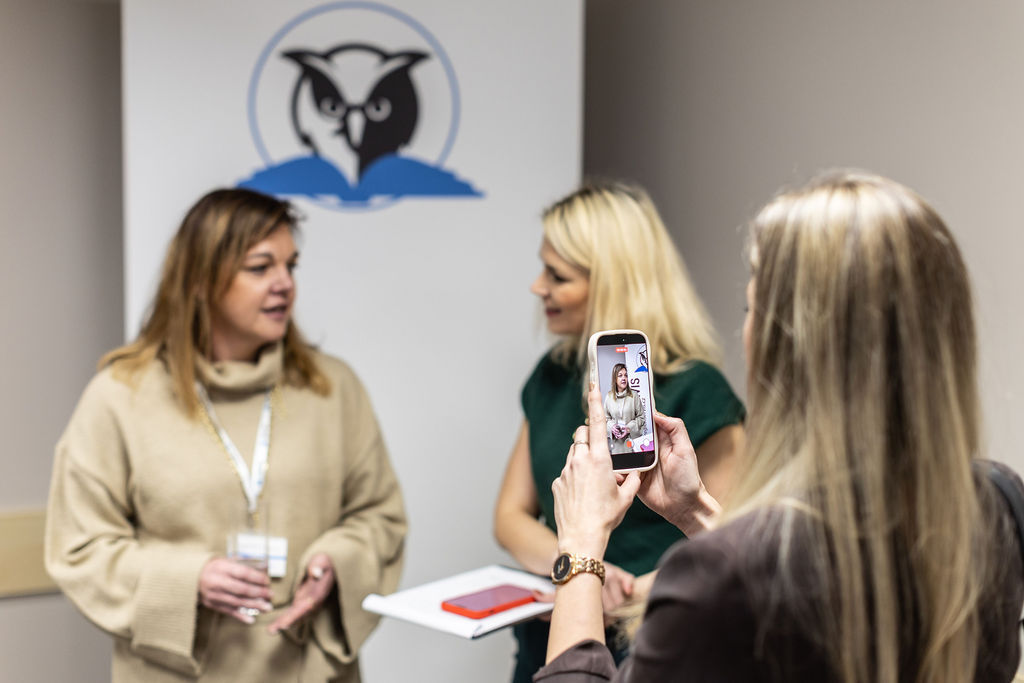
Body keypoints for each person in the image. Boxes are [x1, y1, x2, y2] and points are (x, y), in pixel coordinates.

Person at [537, 171, 1024, 682]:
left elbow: (762, 578)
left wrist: (581, 546)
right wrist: (696, 510)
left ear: (786, 342)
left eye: (751, 308)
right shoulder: (999, 505)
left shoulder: (713, 582)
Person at [45, 188, 406, 682]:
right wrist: (188, 579)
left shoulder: (332, 387)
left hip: (310, 670)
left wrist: (338, 561)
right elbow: (79, 548)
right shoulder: (120, 396)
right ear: (199, 280)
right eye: (260, 268)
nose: (285, 284)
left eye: (290, 266)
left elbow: (380, 516)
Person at [493, 181, 746, 682]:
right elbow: (509, 517)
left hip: (657, 641)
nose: (538, 287)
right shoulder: (550, 377)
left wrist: (621, 590)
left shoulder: (700, 392)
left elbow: (734, 542)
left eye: (557, 275)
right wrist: (579, 567)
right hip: (553, 639)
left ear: (612, 281)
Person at [603, 363, 643, 454]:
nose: (624, 378)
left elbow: (641, 418)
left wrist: (628, 428)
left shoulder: (634, 395)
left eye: (626, 375)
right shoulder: (609, 397)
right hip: (616, 446)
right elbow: (605, 419)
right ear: (615, 379)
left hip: (632, 444)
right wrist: (612, 427)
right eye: (620, 375)